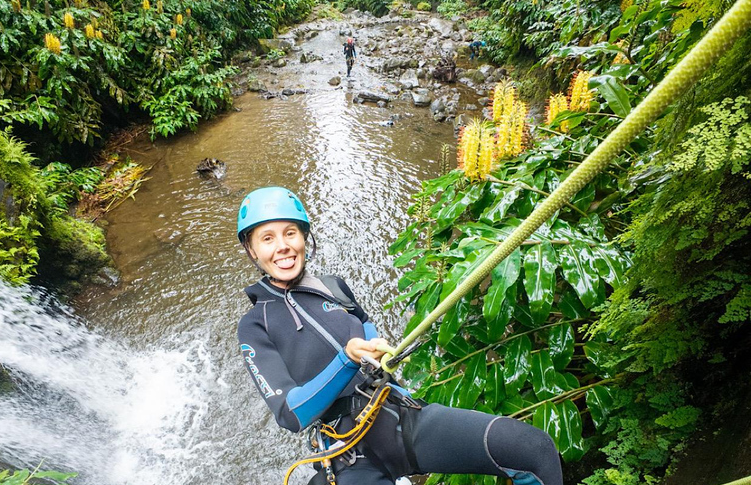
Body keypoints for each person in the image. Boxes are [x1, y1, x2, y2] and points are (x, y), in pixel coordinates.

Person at [236, 186, 563, 485]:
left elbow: (364, 323)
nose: (283, 247)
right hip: (350, 455)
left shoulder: (333, 287)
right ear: (251, 250)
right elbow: (291, 414)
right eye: (268, 238)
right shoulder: (255, 325)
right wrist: (347, 360)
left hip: (402, 415)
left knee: (534, 450)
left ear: (304, 237)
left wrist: (374, 346)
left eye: (290, 233)